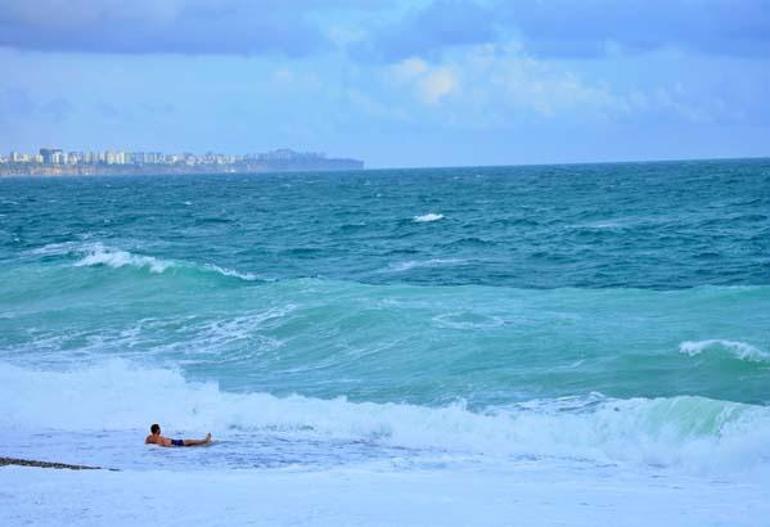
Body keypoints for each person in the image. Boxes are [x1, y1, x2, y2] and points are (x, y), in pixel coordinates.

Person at [145, 423, 212, 447]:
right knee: (189, 441)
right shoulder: (159, 438)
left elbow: (146, 443)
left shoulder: (148, 438)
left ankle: (204, 441)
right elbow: (163, 444)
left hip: (173, 442)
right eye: (159, 429)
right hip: (174, 443)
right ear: (157, 430)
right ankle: (205, 440)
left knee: (190, 444)